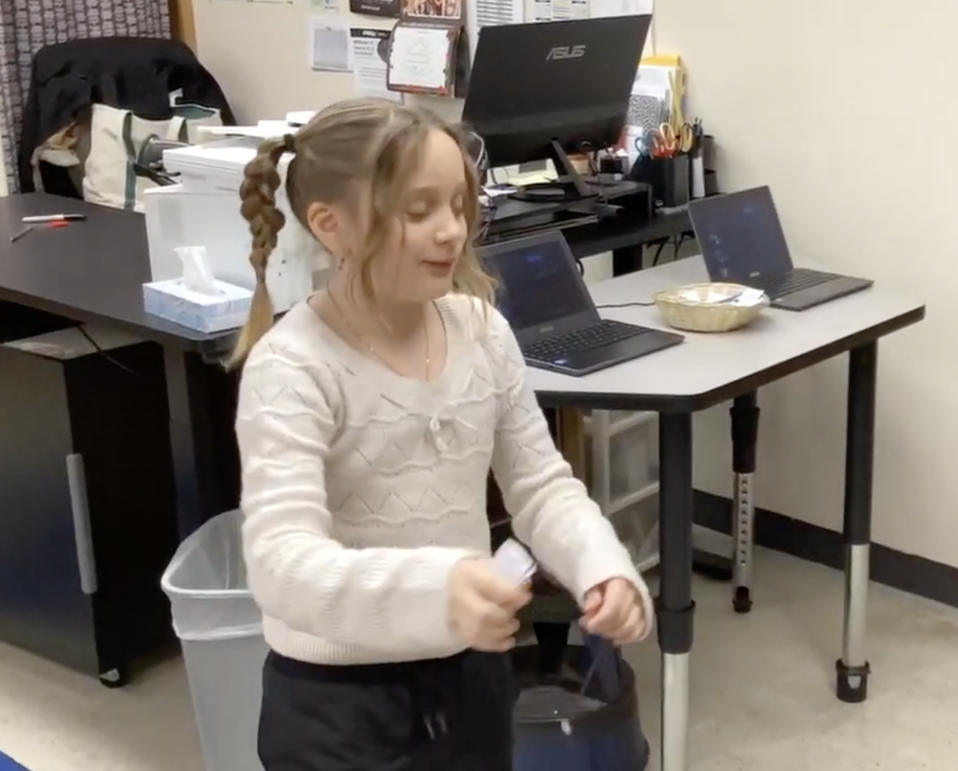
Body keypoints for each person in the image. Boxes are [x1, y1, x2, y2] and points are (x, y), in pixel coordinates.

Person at [233, 97, 653, 771]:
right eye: (417, 209)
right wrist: (437, 589)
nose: (450, 230)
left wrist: (600, 566)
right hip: (338, 709)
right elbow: (283, 566)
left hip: (470, 675)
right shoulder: (291, 366)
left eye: (457, 204)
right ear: (330, 225)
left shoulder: (481, 331)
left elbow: (541, 487)